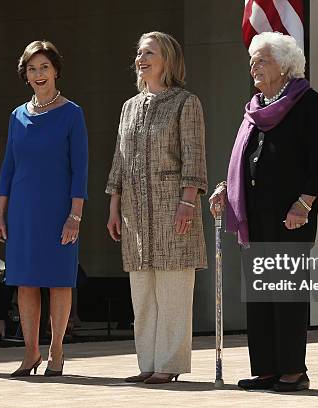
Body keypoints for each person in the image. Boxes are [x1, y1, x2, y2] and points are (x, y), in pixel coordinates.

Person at [209, 32, 318, 392]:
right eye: (252, 59)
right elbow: (245, 162)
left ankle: (293, 371)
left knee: (287, 294)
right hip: (257, 216)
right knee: (262, 295)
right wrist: (226, 190)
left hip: (291, 217)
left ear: (285, 66)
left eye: (262, 59)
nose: (254, 65)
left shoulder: (308, 103)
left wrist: (305, 203)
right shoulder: (255, 108)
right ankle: (266, 369)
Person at [106, 31, 207, 384]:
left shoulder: (185, 102)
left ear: (168, 60)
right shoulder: (129, 107)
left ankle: (170, 364)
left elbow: (194, 159)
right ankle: (147, 363)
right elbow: (119, 160)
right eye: (139, 53)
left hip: (174, 209)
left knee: (173, 293)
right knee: (143, 296)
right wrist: (114, 206)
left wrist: (187, 202)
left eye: (149, 52)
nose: (141, 58)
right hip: (135, 214)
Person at [0, 40, 88, 377]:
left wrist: (75, 216)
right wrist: (0, 213)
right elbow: (8, 166)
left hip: (59, 211)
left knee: (59, 282)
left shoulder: (72, 113)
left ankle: (56, 350)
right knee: (26, 282)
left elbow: (80, 169)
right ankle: (30, 352)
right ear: (25, 74)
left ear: (56, 70)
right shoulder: (17, 116)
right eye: (32, 68)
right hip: (22, 211)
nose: (39, 73)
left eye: (44, 67)